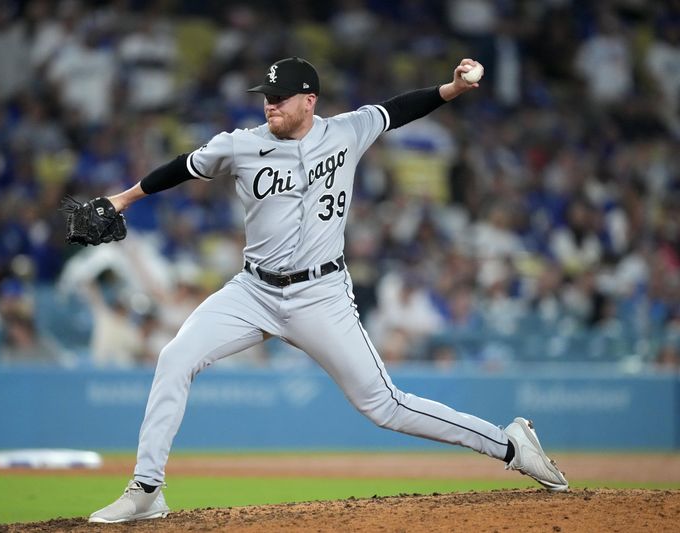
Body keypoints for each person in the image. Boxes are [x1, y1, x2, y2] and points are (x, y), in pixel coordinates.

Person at [88, 57, 568, 523]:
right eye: (266, 97)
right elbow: (182, 167)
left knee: (385, 406)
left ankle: (509, 445)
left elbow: (399, 109)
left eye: (279, 98)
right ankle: (147, 489)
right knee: (175, 357)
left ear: (309, 101)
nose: (269, 105)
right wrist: (125, 199)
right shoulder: (239, 145)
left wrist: (452, 89)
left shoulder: (345, 132)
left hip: (321, 295)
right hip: (252, 291)